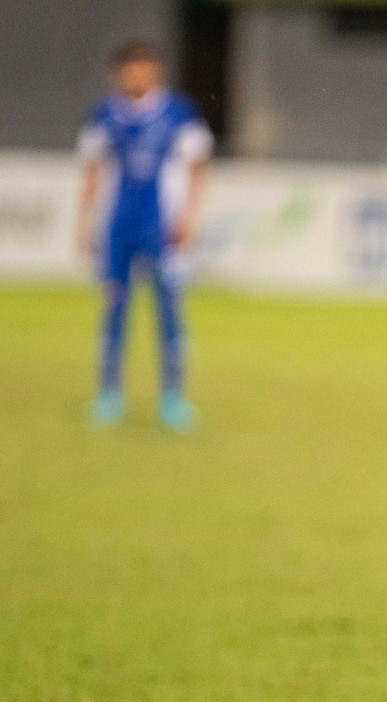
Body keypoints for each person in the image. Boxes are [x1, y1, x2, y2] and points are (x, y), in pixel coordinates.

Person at [76, 40, 211, 432]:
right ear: (119, 72)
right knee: (114, 308)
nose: (137, 74)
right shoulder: (104, 115)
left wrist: (189, 216)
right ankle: (109, 395)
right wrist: (84, 224)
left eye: (144, 67)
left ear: (155, 71)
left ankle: (172, 397)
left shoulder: (178, 113)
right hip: (118, 226)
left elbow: (199, 164)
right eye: (130, 67)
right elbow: (92, 170)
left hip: (162, 227)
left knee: (168, 309)